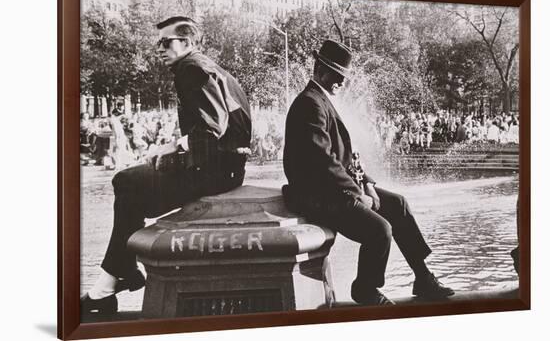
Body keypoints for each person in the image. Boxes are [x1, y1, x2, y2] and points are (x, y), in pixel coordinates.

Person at [81, 16, 252, 315]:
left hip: (215, 171)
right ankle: (113, 278)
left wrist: (172, 145)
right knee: (130, 187)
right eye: (158, 42)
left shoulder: (190, 68)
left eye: (166, 42)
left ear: (186, 43)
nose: (159, 48)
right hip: (227, 167)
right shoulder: (209, 66)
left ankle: (114, 279)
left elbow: (213, 126)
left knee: (126, 183)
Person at [282, 40, 454, 305]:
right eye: (337, 76)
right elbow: (321, 162)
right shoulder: (310, 104)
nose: (342, 82)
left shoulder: (320, 100)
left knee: (398, 205)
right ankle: (365, 288)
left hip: (333, 189)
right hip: (319, 196)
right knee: (380, 230)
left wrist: (368, 184)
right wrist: (355, 193)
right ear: (320, 70)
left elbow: (346, 155)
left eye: (344, 78)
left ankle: (422, 277)